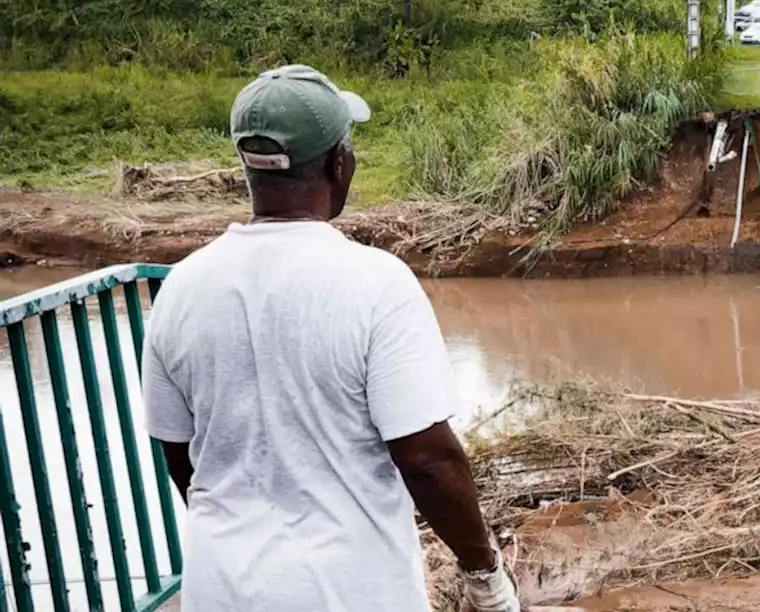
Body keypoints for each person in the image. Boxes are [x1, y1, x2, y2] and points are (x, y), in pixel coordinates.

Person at [143, 64, 522, 612]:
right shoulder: (376, 282)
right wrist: (483, 572)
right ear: (338, 163)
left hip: (220, 588)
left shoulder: (181, 287)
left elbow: (181, 457)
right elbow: (427, 459)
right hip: (351, 590)